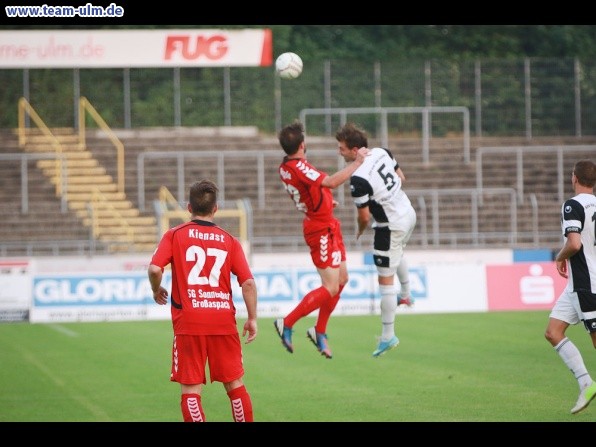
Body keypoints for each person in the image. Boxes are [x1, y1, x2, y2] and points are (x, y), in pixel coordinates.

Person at [147, 179, 258, 422]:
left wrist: (156, 290)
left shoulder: (174, 235)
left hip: (189, 320)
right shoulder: (229, 240)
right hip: (222, 320)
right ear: (215, 209)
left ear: (189, 207)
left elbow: (155, 269)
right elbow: (248, 283)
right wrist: (251, 318)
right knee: (235, 385)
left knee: (191, 389)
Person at [275, 120, 370, 359]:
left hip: (327, 222)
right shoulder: (298, 166)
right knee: (330, 287)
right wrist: (358, 163)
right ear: (302, 145)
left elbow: (310, 189)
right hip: (319, 229)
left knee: (342, 279)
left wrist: (325, 202)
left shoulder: (286, 166)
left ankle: (319, 331)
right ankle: (287, 322)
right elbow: (329, 182)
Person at [336, 122, 417, 357]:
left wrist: (360, 230)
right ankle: (407, 294)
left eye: (341, 148)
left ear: (354, 150)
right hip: (408, 213)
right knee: (398, 253)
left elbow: (364, 216)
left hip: (389, 226)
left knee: (385, 283)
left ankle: (387, 336)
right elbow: (401, 177)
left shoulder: (358, 179)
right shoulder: (382, 151)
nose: (339, 152)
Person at [545, 159, 596, 415]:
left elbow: (574, 243)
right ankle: (586, 383)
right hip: (577, 286)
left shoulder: (573, 205)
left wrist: (560, 256)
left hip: (589, 285)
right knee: (553, 331)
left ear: (574, 178)